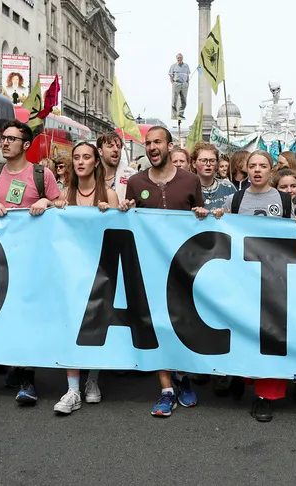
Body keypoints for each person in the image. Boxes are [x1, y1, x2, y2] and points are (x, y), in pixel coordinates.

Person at [123, 126, 209, 417]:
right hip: (149, 267)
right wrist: (125, 210)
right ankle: (166, 389)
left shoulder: (191, 180)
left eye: (157, 142)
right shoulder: (135, 182)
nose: (151, 147)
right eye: (147, 143)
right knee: (156, 324)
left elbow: (204, 223)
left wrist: (202, 215)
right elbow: (129, 220)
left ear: (170, 146)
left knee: (183, 324)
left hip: (184, 268)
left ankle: (182, 378)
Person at [0, 120, 64, 404]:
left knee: (28, 313)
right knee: (4, 311)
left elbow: (62, 205)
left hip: (33, 258)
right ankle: (13, 362)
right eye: (3, 138)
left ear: (26, 145)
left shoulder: (42, 174)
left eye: (11, 139)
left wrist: (48, 203)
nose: (4, 143)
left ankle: (28, 376)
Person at [211, 151, 294, 422]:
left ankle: (264, 397)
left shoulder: (283, 200)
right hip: (243, 278)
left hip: (274, 276)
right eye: (252, 166)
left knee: (271, 334)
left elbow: (293, 235)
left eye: (263, 166)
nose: (257, 170)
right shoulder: (234, 199)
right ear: (245, 169)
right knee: (241, 330)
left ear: (272, 170)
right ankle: (241, 375)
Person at [53, 142, 122, 415]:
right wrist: (49, 205)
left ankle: (93, 377)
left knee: (96, 325)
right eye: (76, 158)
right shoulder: (64, 194)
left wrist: (113, 213)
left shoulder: (111, 195)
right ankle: (72, 389)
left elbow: (120, 231)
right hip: (71, 271)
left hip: (102, 270)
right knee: (72, 325)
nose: (81, 162)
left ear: (96, 162)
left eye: (86, 157)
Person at [192, 142, 236, 211]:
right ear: (194, 163)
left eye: (212, 161)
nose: (208, 164)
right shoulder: (187, 189)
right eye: (203, 161)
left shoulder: (228, 187)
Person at [97, 131, 136, 202]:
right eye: (110, 146)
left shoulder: (129, 175)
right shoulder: (91, 174)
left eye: (118, 146)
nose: (116, 149)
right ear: (100, 151)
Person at [169, 53, 191, 120]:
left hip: (184, 84)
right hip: (176, 83)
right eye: (178, 58)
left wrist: (187, 83)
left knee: (184, 101)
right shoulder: (173, 66)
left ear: (182, 58)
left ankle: (181, 114)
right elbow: (171, 75)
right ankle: (174, 114)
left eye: (180, 58)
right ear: (176, 59)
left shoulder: (186, 66)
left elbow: (187, 75)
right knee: (174, 100)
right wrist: (173, 83)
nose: (179, 59)